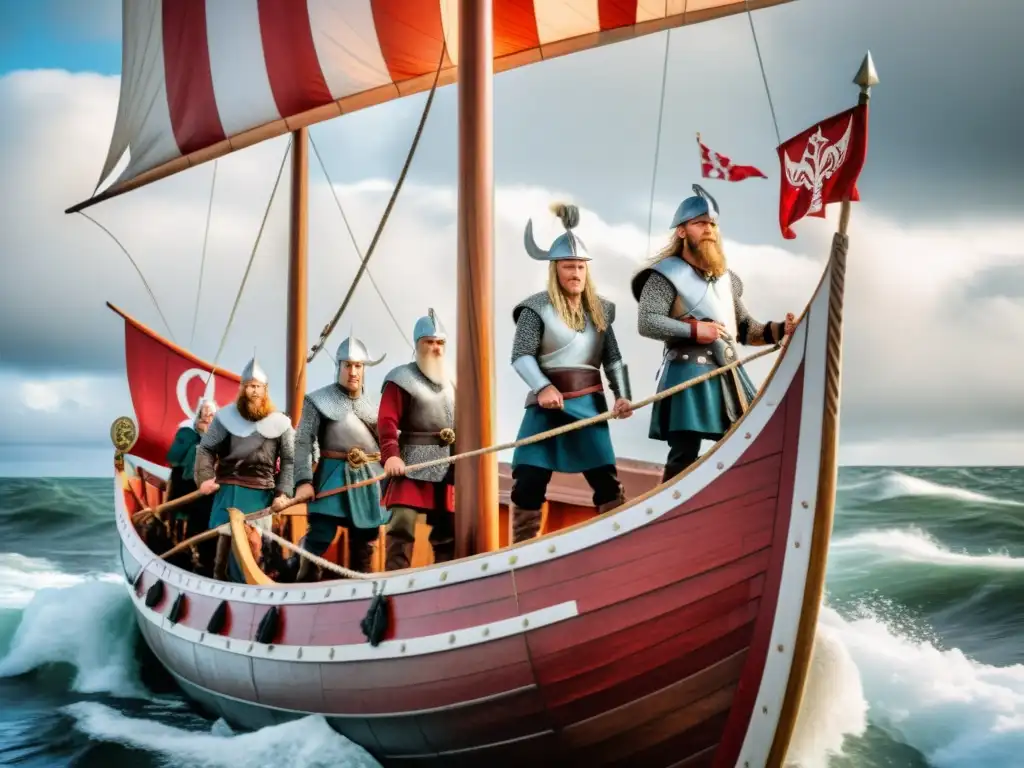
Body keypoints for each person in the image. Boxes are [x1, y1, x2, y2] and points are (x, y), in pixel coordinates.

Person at [631, 184, 796, 482]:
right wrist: (693, 329)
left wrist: (781, 330)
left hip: (728, 372)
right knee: (684, 453)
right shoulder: (664, 275)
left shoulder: (724, 279)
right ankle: (670, 518)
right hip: (686, 372)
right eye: (700, 223)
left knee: (743, 445)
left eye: (712, 224)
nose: (708, 230)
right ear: (682, 231)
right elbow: (648, 322)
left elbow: (746, 329)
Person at [508, 202, 634, 543]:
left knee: (606, 481)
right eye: (568, 266)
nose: (575, 273)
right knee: (530, 479)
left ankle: (617, 544)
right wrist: (544, 387)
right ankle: (521, 553)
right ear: (555, 269)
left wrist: (623, 396)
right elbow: (521, 357)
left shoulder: (601, 310)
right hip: (545, 409)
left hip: (588, 407)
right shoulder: (535, 308)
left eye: (580, 266)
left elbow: (613, 359)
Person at [292, 333, 390, 581]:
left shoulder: (374, 407)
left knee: (365, 538)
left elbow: (388, 444)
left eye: (358, 366)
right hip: (332, 477)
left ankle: (361, 588)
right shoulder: (318, 401)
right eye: (348, 365)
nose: (353, 372)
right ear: (339, 367)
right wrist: (303, 481)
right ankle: (301, 580)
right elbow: (302, 441)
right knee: (321, 533)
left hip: (367, 479)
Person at [194, 355, 295, 581]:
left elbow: (290, 460)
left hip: (261, 495)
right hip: (228, 490)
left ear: (265, 389)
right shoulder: (225, 418)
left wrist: (282, 493)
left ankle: (246, 584)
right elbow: (206, 448)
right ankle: (222, 579)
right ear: (242, 388)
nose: (254, 392)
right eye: (249, 387)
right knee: (226, 540)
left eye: (257, 387)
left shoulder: (281, 423)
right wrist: (205, 478)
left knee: (252, 542)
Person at [377, 309, 456, 571]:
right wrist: (391, 455)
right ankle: (395, 581)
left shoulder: (454, 382)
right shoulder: (401, 379)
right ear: (418, 344)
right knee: (402, 523)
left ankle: (447, 579)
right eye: (429, 342)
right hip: (411, 461)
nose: (435, 347)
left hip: (449, 462)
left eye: (440, 342)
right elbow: (387, 420)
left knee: (448, 529)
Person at [165, 397, 217, 573]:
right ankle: (190, 555)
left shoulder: (221, 438)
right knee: (193, 523)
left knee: (207, 525)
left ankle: (207, 560)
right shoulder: (187, 434)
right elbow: (174, 458)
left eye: (211, 415)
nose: (207, 418)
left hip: (212, 492)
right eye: (204, 414)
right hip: (189, 489)